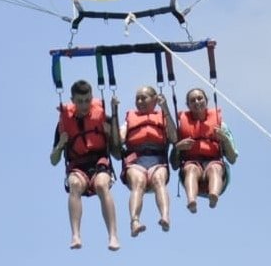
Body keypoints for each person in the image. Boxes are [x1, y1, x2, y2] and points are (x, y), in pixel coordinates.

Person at [50, 79, 121, 251]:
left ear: (92, 98)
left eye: (88, 100)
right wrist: (61, 144)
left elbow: (118, 155)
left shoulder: (103, 117)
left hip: (99, 162)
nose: (84, 105)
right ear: (72, 100)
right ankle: (75, 235)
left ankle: (113, 235)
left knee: (102, 185)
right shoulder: (63, 123)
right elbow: (53, 160)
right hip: (77, 165)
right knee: (74, 185)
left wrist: (111, 133)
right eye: (80, 101)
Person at [114, 85, 174, 237]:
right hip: (136, 161)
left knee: (159, 179)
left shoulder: (163, 116)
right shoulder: (129, 120)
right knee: (138, 182)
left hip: (157, 159)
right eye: (137, 99)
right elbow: (119, 139)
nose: (140, 101)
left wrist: (165, 107)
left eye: (144, 98)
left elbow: (174, 137)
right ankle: (134, 221)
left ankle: (165, 216)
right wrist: (114, 112)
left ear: (155, 100)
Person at [174, 87, 237, 213]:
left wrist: (224, 139)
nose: (197, 102)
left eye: (200, 98)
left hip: (213, 162)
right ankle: (191, 200)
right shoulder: (181, 127)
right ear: (188, 105)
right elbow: (174, 165)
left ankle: (214, 195)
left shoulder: (220, 125)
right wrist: (178, 148)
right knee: (191, 169)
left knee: (215, 168)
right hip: (192, 163)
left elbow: (232, 158)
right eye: (193, 100)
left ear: (206, 100)